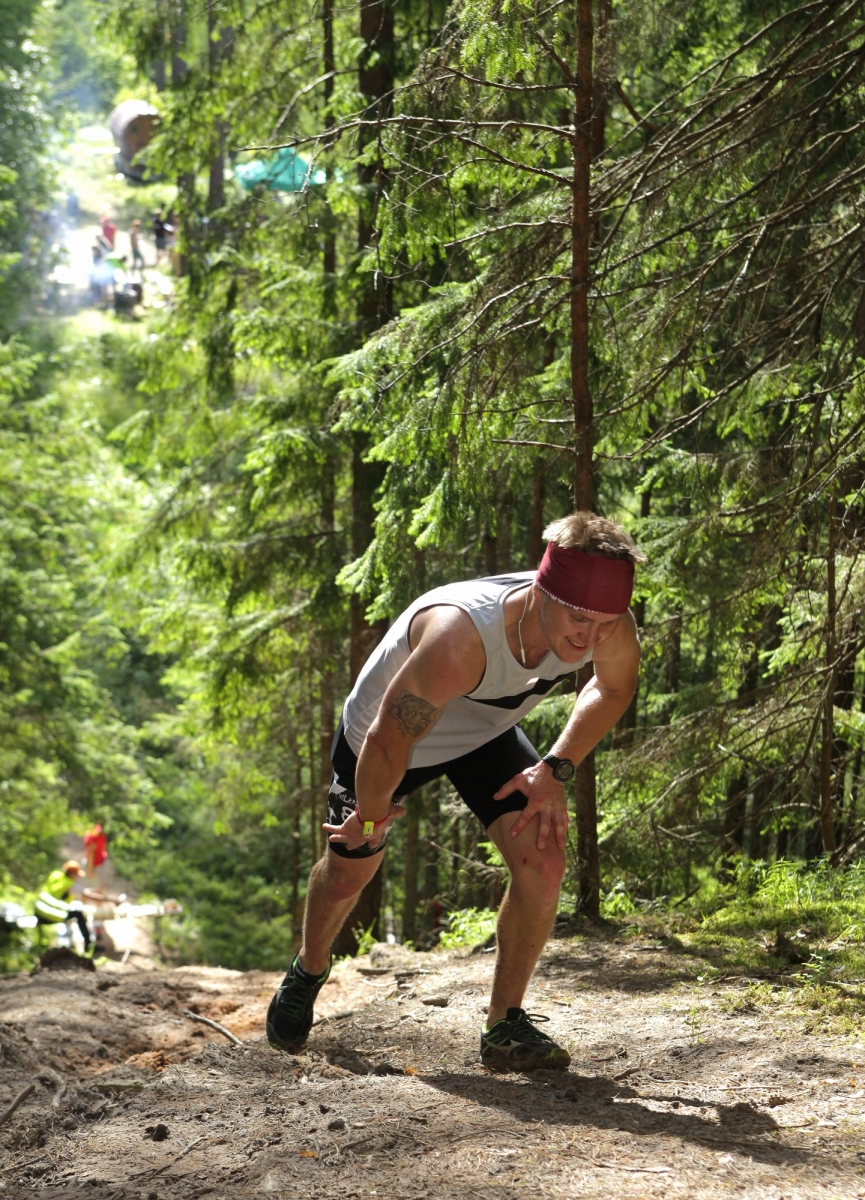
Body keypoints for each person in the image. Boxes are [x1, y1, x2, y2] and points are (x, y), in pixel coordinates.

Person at [266, 511, 644, 1071]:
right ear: (543, 590)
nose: (588, 638)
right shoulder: (461, 635)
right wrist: (369, 821)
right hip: (385, 740)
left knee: (543, 857)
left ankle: (504, 1026)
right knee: (351, 867)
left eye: (604, 624)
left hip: (482, 735)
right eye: (577, 619)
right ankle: (309, 969)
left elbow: (613, 688)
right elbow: (389, 738)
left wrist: (555, 769)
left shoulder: (609, 624)